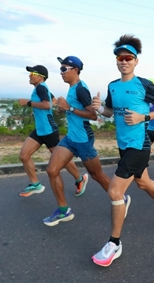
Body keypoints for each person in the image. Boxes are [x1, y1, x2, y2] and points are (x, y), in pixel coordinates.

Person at [91, 34, 154, 267]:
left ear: (136, 61)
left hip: (139, 144)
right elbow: (111, 112)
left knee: (114, 192)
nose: (124, 61)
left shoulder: (144, 85)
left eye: (128, 57)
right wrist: (99, 108)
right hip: (123, 144)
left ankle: (114, 243)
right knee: (143, 183)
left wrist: (144, 116)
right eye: (120, 57)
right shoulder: (112, 86)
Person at [43, 56, 130, 226]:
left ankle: (122, 198)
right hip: (70, 138)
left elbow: (92, 115)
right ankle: (63, 211)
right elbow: (74, 111)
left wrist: (70, 107)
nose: (61, 73)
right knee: (52, 170)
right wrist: (64, 110)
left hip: (83, 139)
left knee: (97, 175)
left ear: (75, 70)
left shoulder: (81, 89)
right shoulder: (72, 88)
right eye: (60, 69)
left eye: (64, 69)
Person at [17, 65, 85, 197]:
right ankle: (35, 184)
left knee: (62, 160)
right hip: (40, 130)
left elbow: (47, 104)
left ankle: (80, 179)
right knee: (24, 155)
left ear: (41, 77)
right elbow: (52, 100)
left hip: (49, 131)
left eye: (32, 74)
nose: (29, 76)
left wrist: (29, 103)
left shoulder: (41, 87)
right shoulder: (40, 88)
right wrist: (39, 111)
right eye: (29, 74)